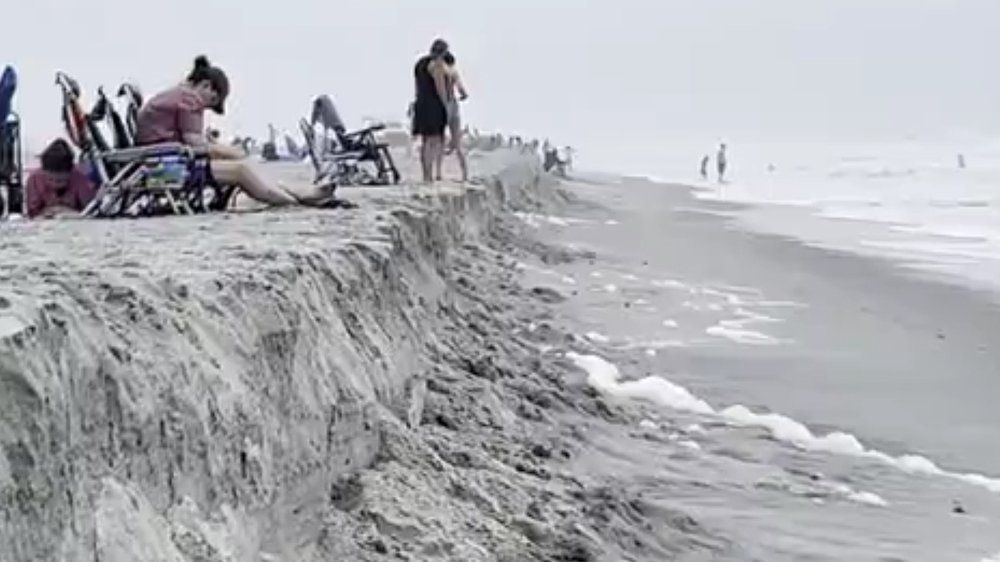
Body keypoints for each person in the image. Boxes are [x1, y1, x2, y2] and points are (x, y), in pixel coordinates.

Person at [136, 56, 338, 207]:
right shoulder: (190, 99)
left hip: (159, 161)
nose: (206, 107)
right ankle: (295, 202)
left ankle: (301, 193)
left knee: (245, 165)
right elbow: (194, 143)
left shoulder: (177, 95)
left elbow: (188, 140)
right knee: (241, 170)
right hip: (164, 168)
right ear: (206, 86)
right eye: (212, 100)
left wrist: (224, 150)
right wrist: (228, 151)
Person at [25, 139, 97, 219]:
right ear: (43, 171)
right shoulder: (34, 179)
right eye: (50, 179)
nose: (55, 185)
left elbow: (90, 211)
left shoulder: (80, 178)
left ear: (70, 173)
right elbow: (32, 213)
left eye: (60, 181)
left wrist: (69, 213)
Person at [412, 39, 450, 183]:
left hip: (420, 103)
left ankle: (425, 174)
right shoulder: (437, 64)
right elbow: (440, 88)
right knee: (433, 140)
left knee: (425, 141)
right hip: (433, 105)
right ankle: (429, 175)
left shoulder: (420, 63)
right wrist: (446, 105)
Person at [434, 52, 469, 182]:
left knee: (440, 140)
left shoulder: (440, 70)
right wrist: (462, 96)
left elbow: (439, 90)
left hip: (443, 105)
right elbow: (463, 92)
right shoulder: (453, 72)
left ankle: (438, 172)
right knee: (457, 142)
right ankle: (465, 173)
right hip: (454, 104)